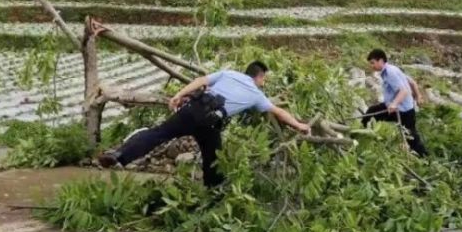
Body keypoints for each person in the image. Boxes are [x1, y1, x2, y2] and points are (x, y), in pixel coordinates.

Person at [97, 61, 310, 187]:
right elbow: (279, 111)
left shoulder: (228, 73)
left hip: (192, 110)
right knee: (213, 158)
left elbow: (201, 81)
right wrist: (299, 125)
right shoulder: (256, 94)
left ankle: (119, 156)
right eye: (264, 79)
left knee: (157, 133)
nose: (264, 83)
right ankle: (213, 192)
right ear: (259, 76)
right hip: (210, 122)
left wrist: (178, 95)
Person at [361, 48, 428, 156]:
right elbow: (412, 82)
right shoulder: (392, 69)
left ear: (381, 60)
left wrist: (394, 103)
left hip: (403, 111)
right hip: (401, 108)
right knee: (371, 112)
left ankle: (424, 157)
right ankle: (362, 134)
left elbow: (404, 91)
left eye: (373, 63)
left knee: (411, 137)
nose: (371, 66)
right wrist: (418, 96)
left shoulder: (390, 72)